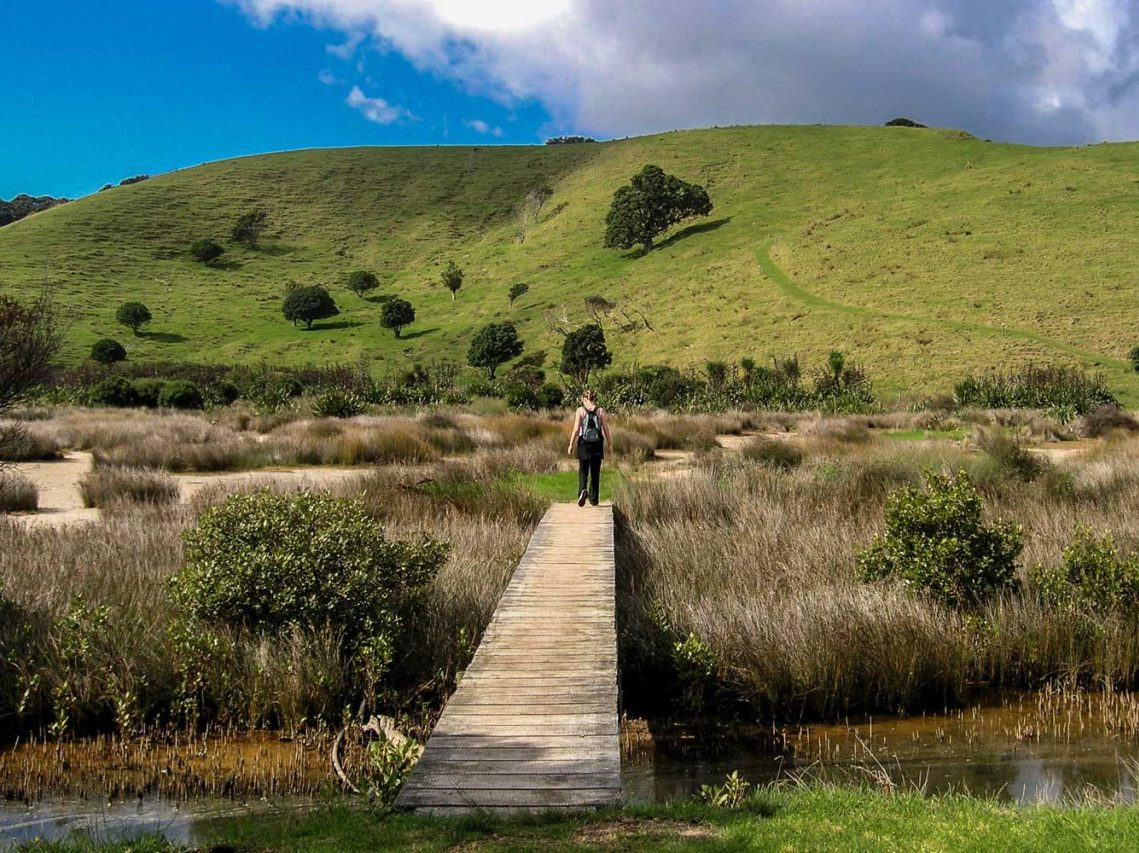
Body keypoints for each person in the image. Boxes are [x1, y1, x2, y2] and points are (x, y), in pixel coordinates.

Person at [568, 389, 612, 507]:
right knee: (595, 472)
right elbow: (606, 429)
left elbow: (576, 429)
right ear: (594, 398)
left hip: (584, 443)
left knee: (583, 470)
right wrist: (610, 445)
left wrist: (571, 444)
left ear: (585, 398)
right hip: (597, 444)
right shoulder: (600, 411)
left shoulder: (580, 411)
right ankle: (594, 499)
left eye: (582, 399)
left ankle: (582, 491)